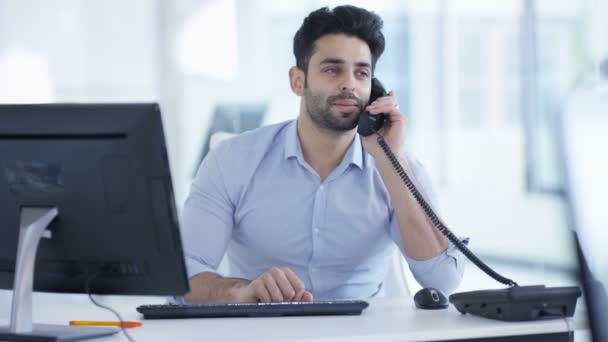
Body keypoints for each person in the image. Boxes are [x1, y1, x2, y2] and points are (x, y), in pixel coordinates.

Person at [180, 5, 465, 304]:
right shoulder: (232, 160)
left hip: (365, 334)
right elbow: (185, 276)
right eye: (332, 69)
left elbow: (443, 280)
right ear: (297, 81)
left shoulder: (398, 165)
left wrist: (390, 161)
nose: (349, 84)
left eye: (361, 73)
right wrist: (243, 291)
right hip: (262, 329)